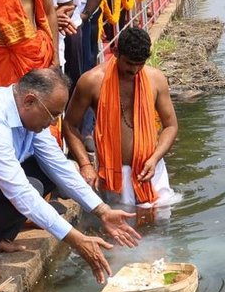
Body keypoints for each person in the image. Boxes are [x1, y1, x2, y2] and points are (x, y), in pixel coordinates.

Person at [0, 68, 140, 277]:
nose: (54, 122)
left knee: (46, 173)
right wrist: (75, 238)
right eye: (52, 115)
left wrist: (102, 210)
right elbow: (18, 191)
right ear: (30, 101)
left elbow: (57, 164)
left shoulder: (27, 112)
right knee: (28, 189)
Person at [63, 26, 181, 210]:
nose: (134, 70)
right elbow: (70, 125)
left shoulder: (156, 79)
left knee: (160, 225)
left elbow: (171, 126)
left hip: (151, 168)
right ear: (116, 52)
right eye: (129, 64)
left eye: (140, 63)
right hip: (113, 173)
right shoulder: (92, 81)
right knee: (121, 231)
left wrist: (155, 158)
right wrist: (85, 164)